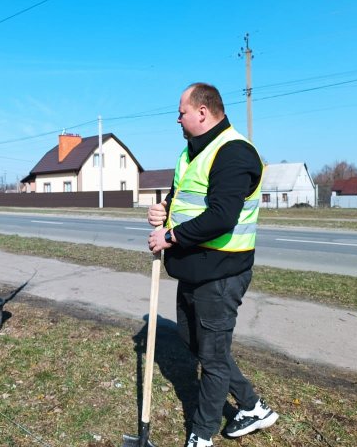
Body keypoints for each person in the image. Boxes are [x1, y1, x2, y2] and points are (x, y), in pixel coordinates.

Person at [147, 83, 278, 447]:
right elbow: (180, 199)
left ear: (202, 112)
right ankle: (253, 407)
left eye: (181, 111)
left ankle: (201, 436)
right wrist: (162, 211)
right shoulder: (190, 153)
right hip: (193, 269)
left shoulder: (235, 153)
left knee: (213, 358)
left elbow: (221, 217)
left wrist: (169, 238)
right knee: (196, 343)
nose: (178, 118)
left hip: (222, 273)